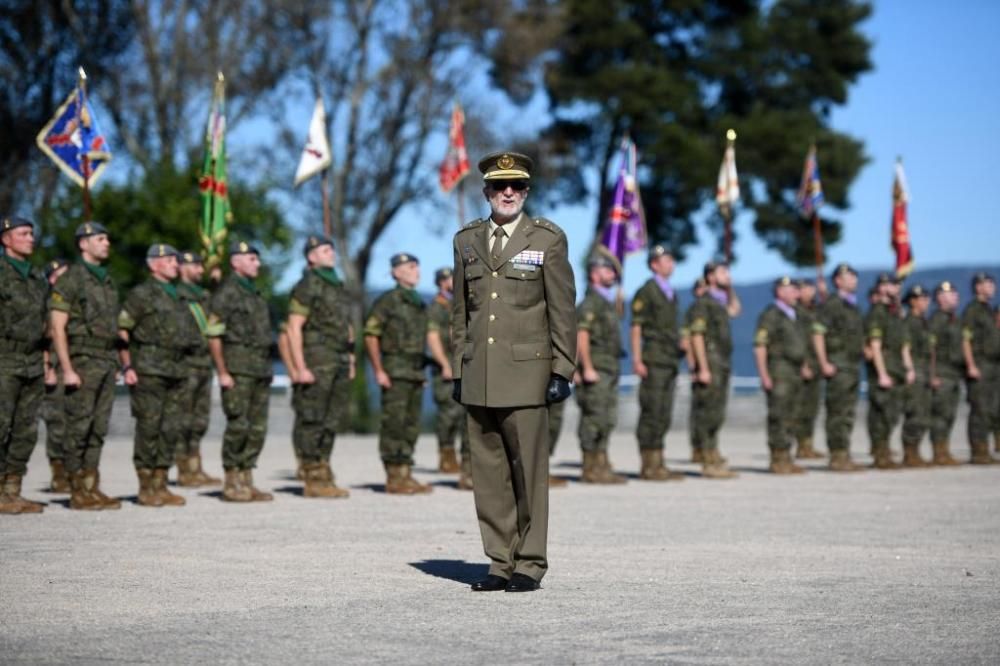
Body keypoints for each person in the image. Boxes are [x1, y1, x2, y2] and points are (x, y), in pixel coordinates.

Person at [452, 151, 576, 593]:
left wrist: (563, 368)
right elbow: (460, 312)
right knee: (488, 476)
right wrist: (456, 368)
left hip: (527, 374)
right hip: (478, 374)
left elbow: (563, 310)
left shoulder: (547, 239)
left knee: (529, 474)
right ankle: (499, 562)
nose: (508, 192)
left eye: (517, 186)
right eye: (500, 186)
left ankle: (529, 562)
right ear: (486, 191)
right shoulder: (466, 240)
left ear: (526, 192)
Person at [118, 244, 203, 507]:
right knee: (149, 428)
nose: (175, 264)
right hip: (149, 369)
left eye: (176, 260)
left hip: (177, 371)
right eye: (169, 260)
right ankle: (146, 487)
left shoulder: (178, 296)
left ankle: (161, 483)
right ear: (153, 264)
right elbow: (122, 330)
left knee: (171, 429)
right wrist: (127, 366)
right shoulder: (141, 294)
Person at [49, 221, 122, 510]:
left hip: (105, 360)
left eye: (107, 238)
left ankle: (92, 485)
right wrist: (66, 368)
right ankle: (76, 488)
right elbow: (57, 327)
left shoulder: (106, 280)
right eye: (100, 238)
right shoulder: (71, 279)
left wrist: (114, 361)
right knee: (78, 427)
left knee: (98, 427)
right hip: (82, 361)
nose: (106, 243)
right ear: (83, 243)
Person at [207, 240, 275, 502]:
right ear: (236, 262)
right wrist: (222, 371)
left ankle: (247, 477)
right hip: (237, 369)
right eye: (251, 259)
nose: (257, 263)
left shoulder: (255, 294)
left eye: (257, 259)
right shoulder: (227, 293)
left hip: (260, 369)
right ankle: (232, 480)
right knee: (239, 424)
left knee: (257, 427)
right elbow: (214, 334)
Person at [286, 235, 354, 499]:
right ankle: (311, 473)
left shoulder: (336, 285)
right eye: (325, 250)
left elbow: (346, 327)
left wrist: (350, 359)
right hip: (316, 358)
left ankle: (324, 469)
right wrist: (299, 367)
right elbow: (293, 328)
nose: (331, 253)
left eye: (331, 249)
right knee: (313, 418)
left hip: (337, 358)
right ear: (311, 256)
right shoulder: (307, 285)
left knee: (331, 418)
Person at [364, 252, 432, 494]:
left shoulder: (419, 303)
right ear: (396, 272)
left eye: (417, 266)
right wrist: (378, 370)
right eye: (411, 266)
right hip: (394, 370)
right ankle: (394, 475)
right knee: (394, 424)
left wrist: (421, 371)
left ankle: (405, 472)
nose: (417, 271)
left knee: (411, 425)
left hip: (414, 371)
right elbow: (371, 334)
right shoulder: (388, 301)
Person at [0, 216, 47, 514]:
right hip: (4, 358)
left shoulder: (35, 277)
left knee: (25, 430)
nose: (31, 238)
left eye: (32, 233)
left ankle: (11, 491)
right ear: (6, 239)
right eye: (23, 233)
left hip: (32, 360)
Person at [630, 244, 684, 481]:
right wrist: (638, 359)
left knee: (664, 411)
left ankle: (659, 461)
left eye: (672, 260)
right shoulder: (647, 291)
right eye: (666, 260)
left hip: (670, 358)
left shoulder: (670, 292)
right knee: (651, 410)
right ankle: (648, 464)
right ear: (654, 264)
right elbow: (636, 326)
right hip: (653, 358)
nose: (671, 264)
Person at [576, 250, 626, 484]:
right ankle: (590, 466)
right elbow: (581, 335)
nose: (613, 274)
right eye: (607, 270)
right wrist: (585, 367)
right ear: (594, 274)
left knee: (608, 417)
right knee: (593, 418)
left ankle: (601, 462)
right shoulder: (591, 303)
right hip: (595, 367)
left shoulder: (606, 302)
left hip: (609, 367)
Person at [688, 261, 740, 479]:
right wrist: (703, 367)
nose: (727, 275)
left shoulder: (719, 302)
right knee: (709, 413)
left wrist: (729, 288)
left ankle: (712, 453)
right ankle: (708, 460)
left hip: (722, 363)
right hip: (711, 361)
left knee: (717, 412)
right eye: (722, 272)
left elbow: (735, 310)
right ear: (710, 276)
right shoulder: (704, 303)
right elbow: (697, 336)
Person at [812, 263, 865, 472]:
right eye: (848, 277)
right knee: (838, 411)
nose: (853, 280)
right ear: (838, 281)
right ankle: (837, 455)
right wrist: (824, 362)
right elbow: (818, 333)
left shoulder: (853, 306)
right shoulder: (832, 304)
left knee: (848, 412)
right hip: (838, 364)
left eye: (855, 277)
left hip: (852, 365)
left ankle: (845, 452)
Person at [753, 276, 809, 474]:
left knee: (793, 414)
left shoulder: (796, 314)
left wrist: (803, 365)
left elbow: (800, 344)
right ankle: (778, 457)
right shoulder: (772, 315)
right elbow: (760, 346)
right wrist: (764, 375)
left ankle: (787, 455)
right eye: (793, 289)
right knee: (779, 414)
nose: (797, 293)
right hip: (779, 370)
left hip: (794, 371)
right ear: (780, 292)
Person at [175, 251, 221, 487]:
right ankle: (184, 470)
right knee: (183, 419)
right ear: (182, 267)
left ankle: (196, 467)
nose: (201, 270)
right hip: (184, 364)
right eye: (196, 266)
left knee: (200, 419)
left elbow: (218, 313)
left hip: (204, 363)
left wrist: (216, 282)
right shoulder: (176, 295)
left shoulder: (203, 295)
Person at [426, 266, 471, 488]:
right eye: (449, 278)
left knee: (464, 414)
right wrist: (444, 364)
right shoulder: (437, 307)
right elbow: (433, 338)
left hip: (463, 367)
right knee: (448, 414)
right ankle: (446, 455)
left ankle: (462, 460)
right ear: (441, 282)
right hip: (445, 368)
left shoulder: (459, 304)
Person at [865, 273, 908, 470]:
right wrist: (881, 373)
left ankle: (885, 452)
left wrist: (907, 368)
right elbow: (875, 346)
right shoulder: (878, 313)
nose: (895, 288)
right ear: (881, 288)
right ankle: (881, 455)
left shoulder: (894, 313)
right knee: (882, 414)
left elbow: (902, 345)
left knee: (893, 413)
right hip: (885, 370)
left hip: (896, 369)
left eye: (897, 285)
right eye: (891, 285)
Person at [961, 272, 999, 464]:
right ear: (978, 287)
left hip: (994, 365)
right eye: (987, 284)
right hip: (981, 363)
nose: (992, 287)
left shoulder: (989, 310)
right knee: (980, 409)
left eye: (992, 284)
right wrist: (971, 365)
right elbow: (966, 340)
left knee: (993, 408)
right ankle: (979, 451)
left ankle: (989, 448)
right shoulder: (973, 311)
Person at [41, 259, 70, 493]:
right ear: (52, 279)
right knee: (56, 422)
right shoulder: (45, 304)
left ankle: (73, 471)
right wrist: (46, 367)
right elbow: (41, 338)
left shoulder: (71, 303)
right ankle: (58, 474)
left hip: (71, 365)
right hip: (53, 367)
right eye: (61, 275)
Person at [927, 281, 963, 465]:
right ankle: (938, 451)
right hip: (941, 372)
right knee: (940, 414)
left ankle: (945, 449)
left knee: (950, 413)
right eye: (950, 294)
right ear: (940, 298)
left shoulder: (954, 320)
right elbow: (931, 349)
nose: (955, 297)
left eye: (955, 293)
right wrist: (932, 374)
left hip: (954, 373)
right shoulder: (937, 320)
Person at [899, 284, 933, 467]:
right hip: (915, 371)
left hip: (925, 371)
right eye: (922, 299)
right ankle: (910, 453)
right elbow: (905, 347)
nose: (926, 302)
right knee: (915, 413)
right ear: (912, 301)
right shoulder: (910, 321)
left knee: (925, 414)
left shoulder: (923, 321)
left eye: (927, 299)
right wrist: (909, 369)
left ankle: (915, 452)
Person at [793, 279, 824, 460]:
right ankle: (800, 445)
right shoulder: (795, 312)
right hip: (801, 365)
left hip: (815, 364)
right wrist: (803, 363)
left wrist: (824, 294)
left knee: (811, 407)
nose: (809, 292)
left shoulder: (815, 310)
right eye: (805, 288)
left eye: (811, 288)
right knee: (800, 408)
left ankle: (807, 444)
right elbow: (799, 340)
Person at [682, 277, 708, 463]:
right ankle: (698, 448)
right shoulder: (694, 311)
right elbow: (686, 341)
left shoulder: (711, 308)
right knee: (700, 410)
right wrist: (693, 365)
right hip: (700, 368)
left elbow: (735, 309)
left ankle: (705, 447)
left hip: (711, 364)